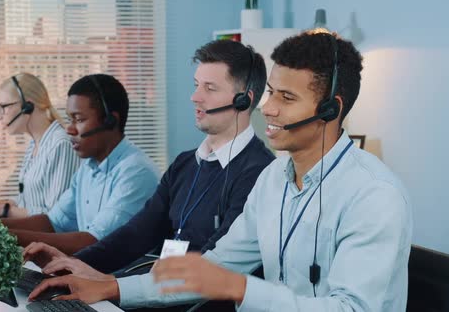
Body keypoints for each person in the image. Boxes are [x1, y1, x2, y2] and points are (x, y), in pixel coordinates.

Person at [28, 31, 413, 312]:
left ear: (331, 109)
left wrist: (238, 287)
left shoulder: (374, 195)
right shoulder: (274, 180)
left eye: (287, 97)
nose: (269, 109)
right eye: (271, 93)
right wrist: (111, 288)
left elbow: (352, 309)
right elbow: (215, 268)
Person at [23, 39, 275, 280]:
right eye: (196, 85)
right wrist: (74, 265)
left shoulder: (259, 173)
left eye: (209, 88)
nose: (195, 97)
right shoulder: (185, 165)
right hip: (158, 294)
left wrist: (111, 286)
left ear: (244, 100)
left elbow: (212, 267)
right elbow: (137, 233)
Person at [2, 74, 160, 255]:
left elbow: (93, 242)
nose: (69, 129)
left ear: (111, 121)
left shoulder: (135, 172)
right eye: (70, 119)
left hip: (119, 279)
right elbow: (53, 222)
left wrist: (5, 235)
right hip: (87, 272)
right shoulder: (88, 167)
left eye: (79, 119)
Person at [0, 72, 80, 218]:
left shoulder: (60, 145)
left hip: (45, 238)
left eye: (3, 107)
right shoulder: (35, 143)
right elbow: (29, 199)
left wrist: (2, 210)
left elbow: (54, 217)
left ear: (28, 106)